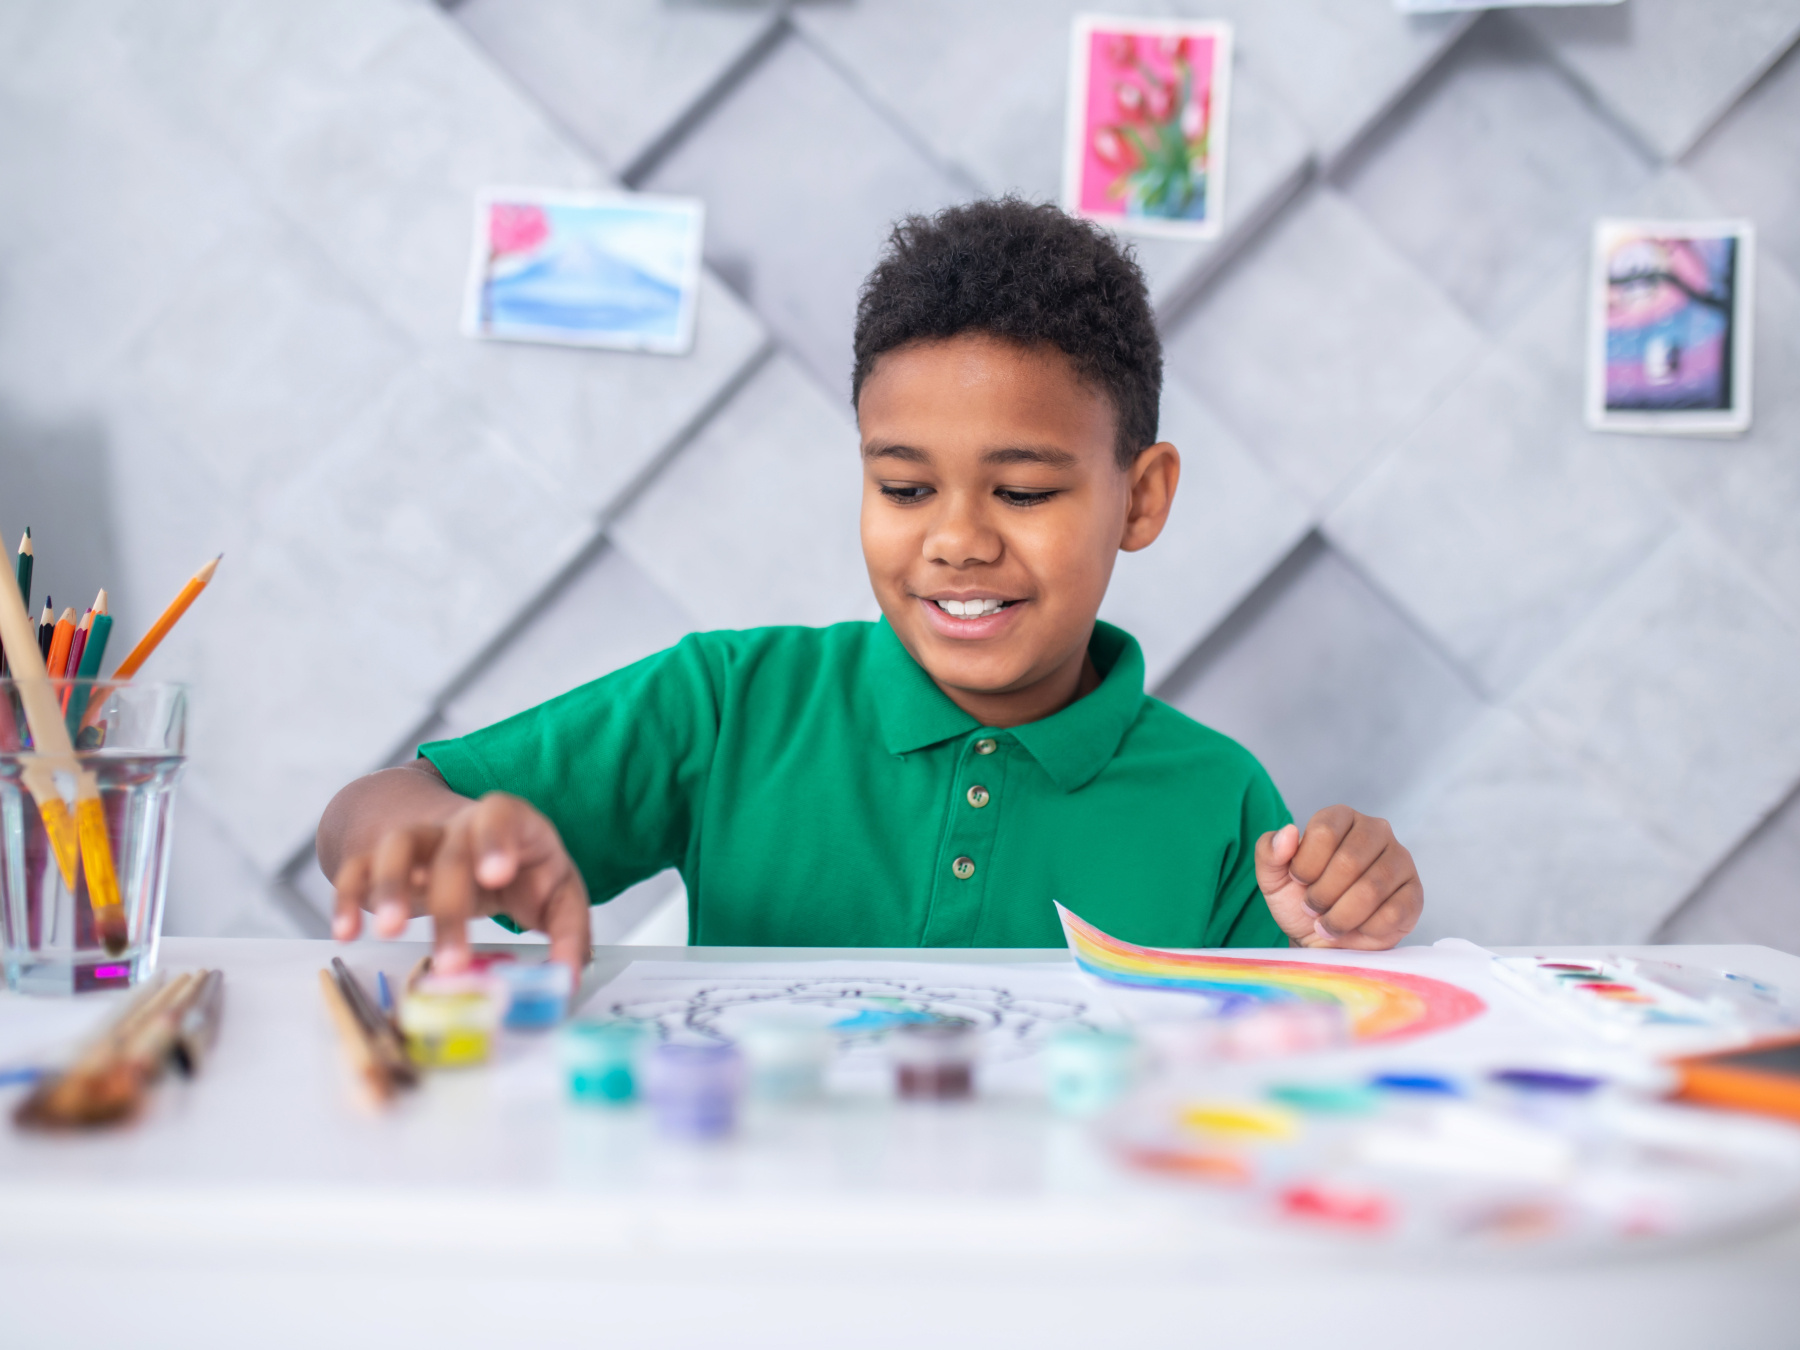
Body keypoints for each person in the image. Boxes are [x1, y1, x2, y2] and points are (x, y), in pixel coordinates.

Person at [317, 198, 1422, 974]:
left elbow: (1295, 1083)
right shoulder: (733, 701)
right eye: (903, 487)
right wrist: (435, 841)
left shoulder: (1219, 801)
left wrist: (1341, 923)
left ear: (1141, 498)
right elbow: (369, 810)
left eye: (1024, 494)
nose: (954, 542)